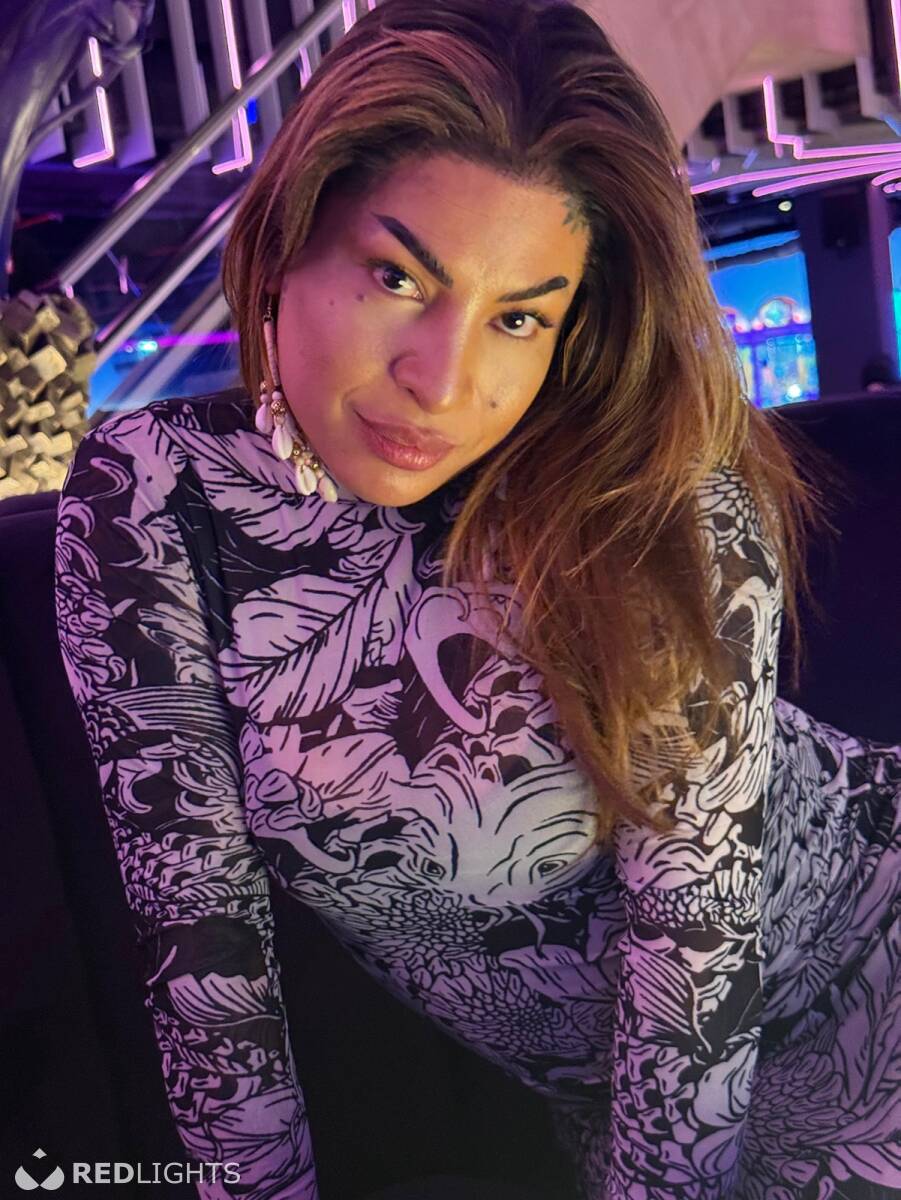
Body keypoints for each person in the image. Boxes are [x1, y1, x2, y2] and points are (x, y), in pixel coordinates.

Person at [52, 0, 900, 1197]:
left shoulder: (657, 498)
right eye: (398, 276)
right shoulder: (150, 493)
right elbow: (201, 954)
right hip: (619, 1103)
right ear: (288, 237)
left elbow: (694, 955)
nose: (441, 382)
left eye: (517, 318)